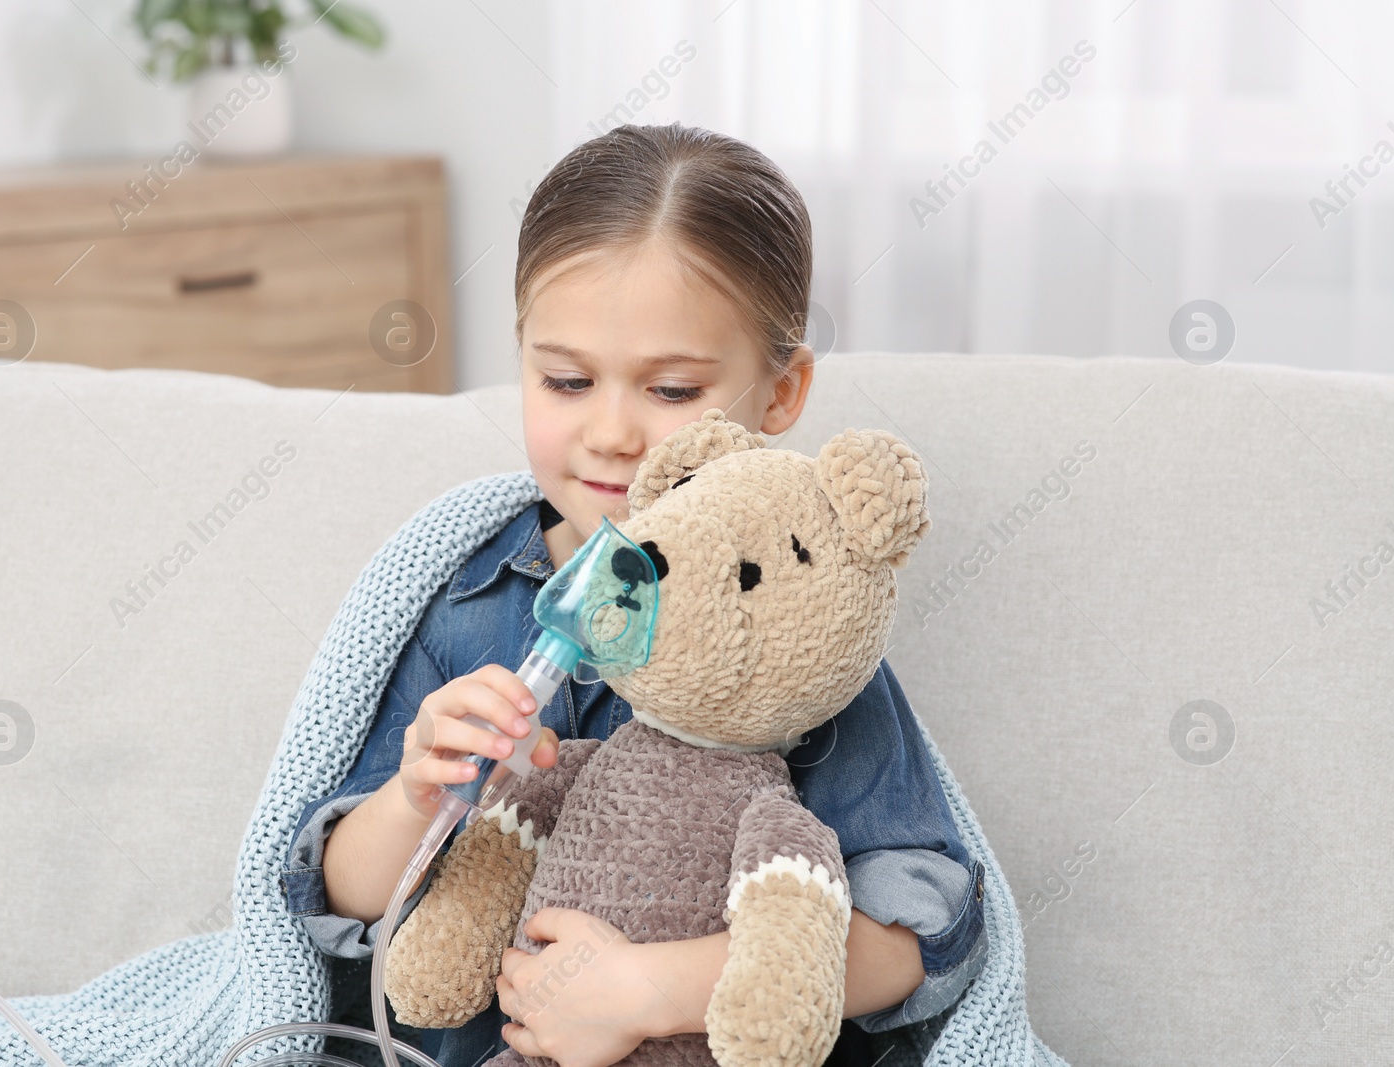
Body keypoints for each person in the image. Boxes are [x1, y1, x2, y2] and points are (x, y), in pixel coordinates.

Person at [279, 122, 988, 1067]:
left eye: (670, 389)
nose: (611, 432)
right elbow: (344, 894)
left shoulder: (797, 628)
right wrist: (417, 796)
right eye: (565, 379)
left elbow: (912, 933)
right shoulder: (466, 600)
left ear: (780, 395)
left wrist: (651, 990)